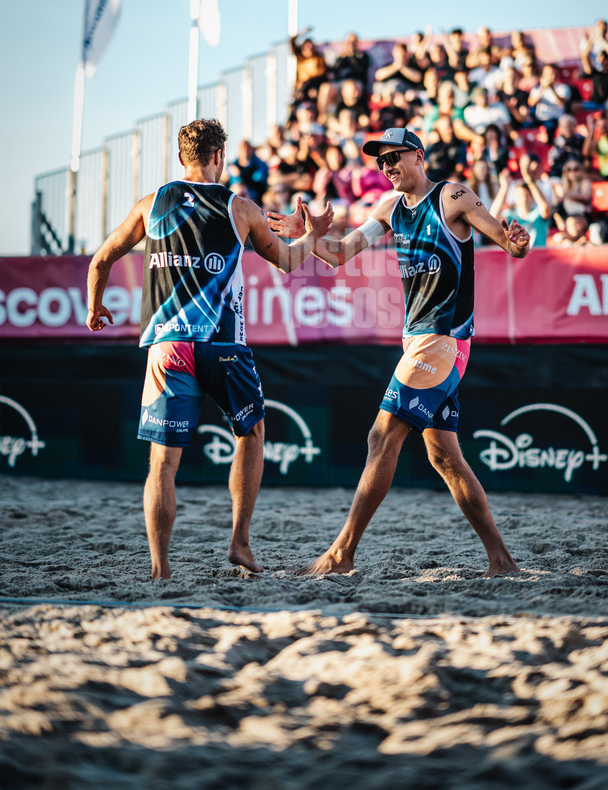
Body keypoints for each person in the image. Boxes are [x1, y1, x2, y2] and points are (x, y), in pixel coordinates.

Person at [268, 127, 529, 577]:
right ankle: (501, 560)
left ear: (419, 157)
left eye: (395, 157)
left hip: (442, 340)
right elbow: (340, 253)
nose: (387, 166)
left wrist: (516, 242)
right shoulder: (389, 208)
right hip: (420, 341)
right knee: (445, 458)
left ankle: (341, 553)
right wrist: (307, 236)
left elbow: (506, 242)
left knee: (380, 436)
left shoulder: (454, 197)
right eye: (381, 160)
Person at [86, 118, 332, 580]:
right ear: (220, 157)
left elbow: (101, 260)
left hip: (168, 347)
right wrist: (313, 234)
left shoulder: (152, 203)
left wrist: (94, 308)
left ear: (181, 158)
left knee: (162, 462)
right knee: (252, 434)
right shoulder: (240, 208)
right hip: (224, 346)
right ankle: (239, 542)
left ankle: (160, 570)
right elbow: (288, 262)